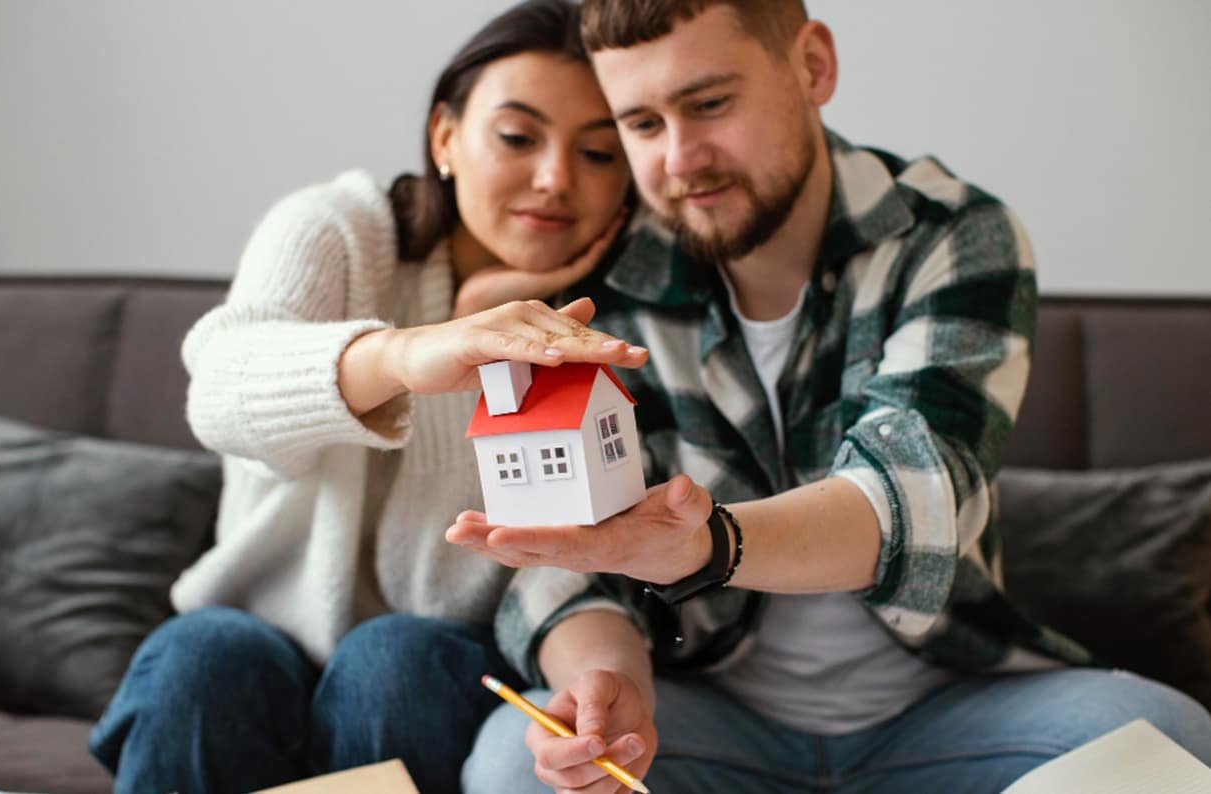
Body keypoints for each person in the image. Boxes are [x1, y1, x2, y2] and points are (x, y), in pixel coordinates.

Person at [452, 2, 1211, 792]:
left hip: (953, 705)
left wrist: (707, 542)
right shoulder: (607, 275)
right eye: (641, 125)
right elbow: (572, 561)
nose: (681, 159)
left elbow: (912, 496)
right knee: (516, 762)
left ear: (813, 66)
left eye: (710, 104)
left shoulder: (953, 235)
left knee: (1171, 744)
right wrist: (615, 691)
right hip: (709, 711)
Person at [86, 2, 647, 793]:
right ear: (445, 137)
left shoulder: (615, 326)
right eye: (518, 137)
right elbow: (220, 390)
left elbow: (578, 560)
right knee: (201, 656)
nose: (556, 178)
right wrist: (415, 350)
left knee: (394, 658)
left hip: (433, 671)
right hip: (250, 645)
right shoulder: (339, 230)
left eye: (597, 151)